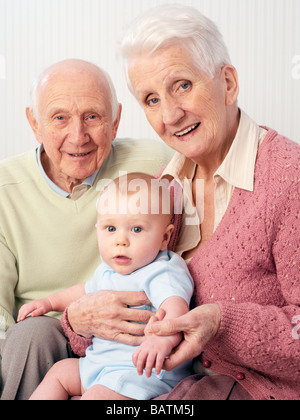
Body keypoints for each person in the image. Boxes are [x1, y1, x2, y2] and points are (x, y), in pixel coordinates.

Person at [63, 5, 300, 400]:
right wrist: (78, 319)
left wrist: (223, 323)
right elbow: (117, 287)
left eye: (183, 85)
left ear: (227, 83)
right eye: (151, 99)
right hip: (154, 382)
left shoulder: (289, 178)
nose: (171, 115)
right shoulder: (162, 190)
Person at [0, 59, 174, 400]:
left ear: (116, 121)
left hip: (132, 346)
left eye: (93, 117)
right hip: (46, 342)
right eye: (60, 117)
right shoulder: (5, 189)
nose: (78, 137)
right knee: (30, 334)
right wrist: (67, 315)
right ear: (34, 123)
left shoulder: (156, 166)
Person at [18, 172, 194, 400]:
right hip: (97, 365)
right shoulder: (108, 270)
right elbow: (83, 291)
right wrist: (49, 302)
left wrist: (162, 340)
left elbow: (176, 309)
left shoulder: (162, 270)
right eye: (110, 229)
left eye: (136, 229)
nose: (121, 240)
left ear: (164, 237)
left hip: (139, 374)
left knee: (96, 396)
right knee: (59, 373)